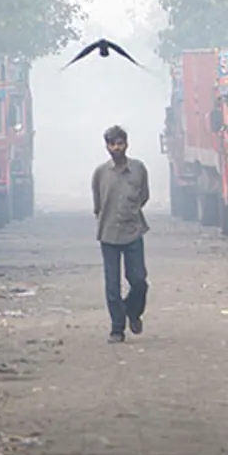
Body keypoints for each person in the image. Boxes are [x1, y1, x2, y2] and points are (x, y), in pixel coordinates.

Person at [91, 125, 151, 344]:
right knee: (112, 286)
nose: (117, 148)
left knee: (139, 281)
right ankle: (117, 328)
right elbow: (98, 202)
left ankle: (133, 312)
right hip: (108, 233)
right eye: (112, 144)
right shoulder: (100, 173)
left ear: (127, 144)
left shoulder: (138, 169)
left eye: (120, 143)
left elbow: (144, 196)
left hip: (133, 230)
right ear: (107, 146)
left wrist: (130, 212)